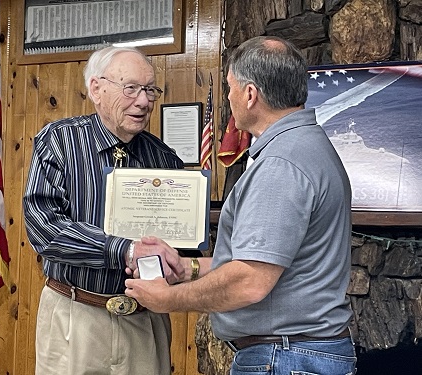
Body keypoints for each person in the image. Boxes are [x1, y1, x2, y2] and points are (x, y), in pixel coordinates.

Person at [125, 36, 357, 375]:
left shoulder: (281, 164)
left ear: (250, 95)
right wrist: (186, 267)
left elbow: (249, 280)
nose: (229, 96)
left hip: (285, 359)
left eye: (230, 87)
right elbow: (260, 263)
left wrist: (167, 299)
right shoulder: (304, 146)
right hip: (297, 354)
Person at [23, 46, 186, 375]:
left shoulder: (166, 161)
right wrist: (124, 250)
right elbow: (45, 228)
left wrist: (177, 261)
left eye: (150, 90)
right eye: (131, 89)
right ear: (96, 89)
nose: (143, 101)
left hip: (146, 322)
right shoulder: (58, 142)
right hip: (74, 314)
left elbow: (177, 243)